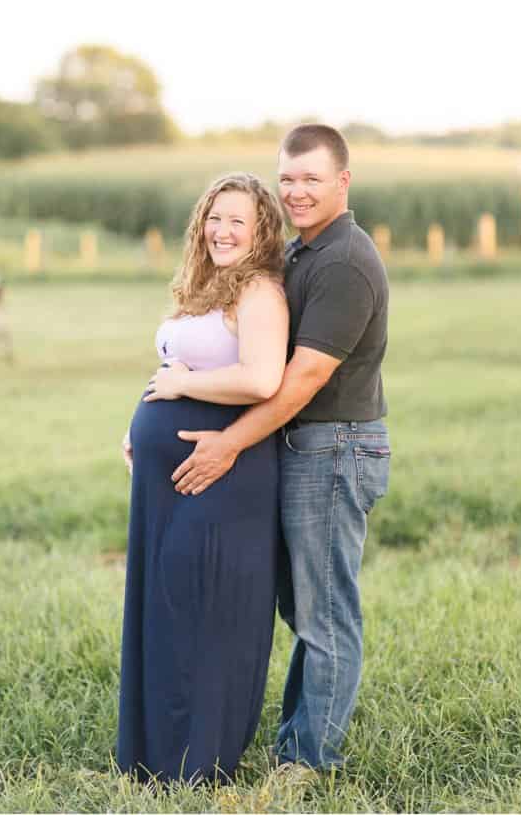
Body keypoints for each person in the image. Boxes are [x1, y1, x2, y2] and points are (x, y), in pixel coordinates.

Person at [169, 124, 390, 772]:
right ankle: (304, 728)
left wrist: (227, 445)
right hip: (301, 446)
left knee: (326, 613)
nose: (295, 191)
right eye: (287, 178)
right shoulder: (302, 253)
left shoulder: (346, 262)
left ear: (343, 182)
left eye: (311, 179)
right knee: (304, 603)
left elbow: (303, 379)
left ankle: (307, 760)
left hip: (335, 448)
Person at [117, 172, 289, 783]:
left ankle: (200, 759)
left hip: (225, 473)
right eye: (215, 218)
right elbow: (175, 363)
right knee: (162, 603)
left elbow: (262, 379)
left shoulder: (260, 292)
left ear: (261, 230)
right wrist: (138, 426)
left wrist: (182, 387)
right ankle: (153, 751)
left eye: (237, 220)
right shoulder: (205, 286)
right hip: (169, 475)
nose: (223, 230)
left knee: (207, 608)